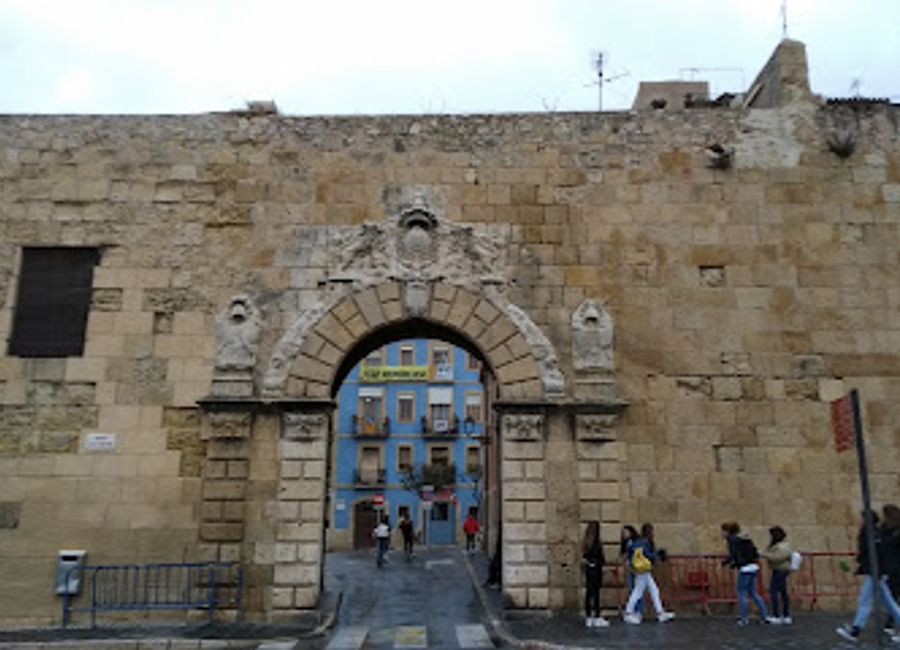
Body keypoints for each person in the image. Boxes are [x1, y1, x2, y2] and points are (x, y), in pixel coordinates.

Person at [837, 509, 900, 642]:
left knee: (865, 601)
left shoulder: (873, 534)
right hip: (877, 572)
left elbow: (873, 554)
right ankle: (855, 630)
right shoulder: (876, 533)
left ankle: (855, 630)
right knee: (889, 603)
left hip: (876, 572)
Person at [622, 523, 675, 624]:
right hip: (643, 570)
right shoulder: (646, 542)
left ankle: (660, 612)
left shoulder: (636, 542)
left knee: (653, 590)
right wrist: (658, 555)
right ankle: (628, 612)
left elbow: (629, 553)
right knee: (638, 591)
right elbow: (647, 555)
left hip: (640, 569)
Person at [721, 522, 768, 626]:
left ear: (727, 531)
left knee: (741, 593)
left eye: (722, 531)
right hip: (753, 566)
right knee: (753, 593)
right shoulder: (744, 540)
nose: (721, 533)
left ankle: (744, 618)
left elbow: (734, 554)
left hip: (745, 568)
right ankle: (764, 616)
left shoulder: (732, 540)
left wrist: (726, 562)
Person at [760, 525, 793, 625]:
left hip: (780, 570)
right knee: (783, 592)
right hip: (779, 570)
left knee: (774, 591)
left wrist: (765, 555)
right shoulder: (780, 545)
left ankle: (776, 615)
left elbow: (777, 557)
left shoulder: (782, 546)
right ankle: (785, 615)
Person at [582, 521, 609, 628]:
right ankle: (597, 616)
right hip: (596, 570)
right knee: (596, 594)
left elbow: (584, 557)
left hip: (588, 570)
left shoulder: (586, 543)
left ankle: (589, 617)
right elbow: (602, 559)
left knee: (589, 593)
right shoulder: (597, 543)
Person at [620, 525, 644, 615]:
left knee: (637, 590)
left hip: (636, 568)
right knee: (632, 589)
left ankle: (637, 610)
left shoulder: (635, 543)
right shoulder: (626, 543)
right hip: (630, 569)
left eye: (625, 532)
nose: (624, 534)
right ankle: (633, 609)